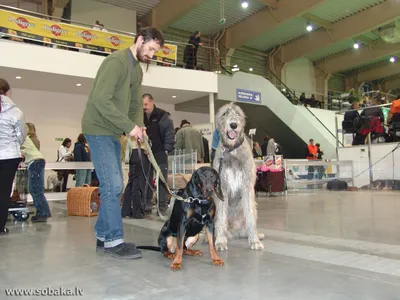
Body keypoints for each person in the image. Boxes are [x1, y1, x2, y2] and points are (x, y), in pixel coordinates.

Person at [81, 27, 165, 259]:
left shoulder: (137, 70)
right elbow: (100, 99)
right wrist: (129, 127)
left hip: (114, 133)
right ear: (139, 40)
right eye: (149, 49)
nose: (151, 55)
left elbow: (136, 104)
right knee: (114, 186)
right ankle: (114, 242)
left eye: (154, 52)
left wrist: (139, 127)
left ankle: (101, 235)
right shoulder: (116, 62)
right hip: (98, 130)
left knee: (112, 184)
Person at [0, 78, 26, 235]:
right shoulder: (16, 112)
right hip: (9, 156)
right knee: (3, 192)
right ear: (8, 92)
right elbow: (22, 136)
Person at [142, 94, 174, 215]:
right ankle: (146, 205)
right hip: (146, 153)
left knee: (161, 180)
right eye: (142, 105)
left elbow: (169, 133)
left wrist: (167, 149)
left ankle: (162, 207)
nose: (144, 107)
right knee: (146, 179)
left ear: (152, 102)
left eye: (146, 104)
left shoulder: (162, 115)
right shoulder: (141, 117)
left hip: (160, 152)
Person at [20, 134, 52, 222]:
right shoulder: (23, 137)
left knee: (36, 189)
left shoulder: (19, 136)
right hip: (36, 162)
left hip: (35, 162)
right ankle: (42, 212)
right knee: (35, 189)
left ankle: (43, 213)